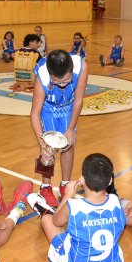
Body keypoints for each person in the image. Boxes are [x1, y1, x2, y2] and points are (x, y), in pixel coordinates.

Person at [27, 153, 125, 262]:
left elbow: (56, 221)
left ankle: (46, 211)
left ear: (82, 179)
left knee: (48, 220)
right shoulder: (116, 201)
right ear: (110, 181)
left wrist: (68, 195)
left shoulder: (73, 205)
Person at [31, 50, 89, 206]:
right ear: (50, 74)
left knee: (68, 145)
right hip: (48, 108)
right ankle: (45, 187)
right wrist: (42, 142)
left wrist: (70, 129)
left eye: (67, 81)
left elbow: (78, 101)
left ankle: (65, 185)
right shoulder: (42, 75)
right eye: (57, 82)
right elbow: (35, 113)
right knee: (48, 149)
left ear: (71, 71)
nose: (63, 85)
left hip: (69, 106)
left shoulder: (81, 66)